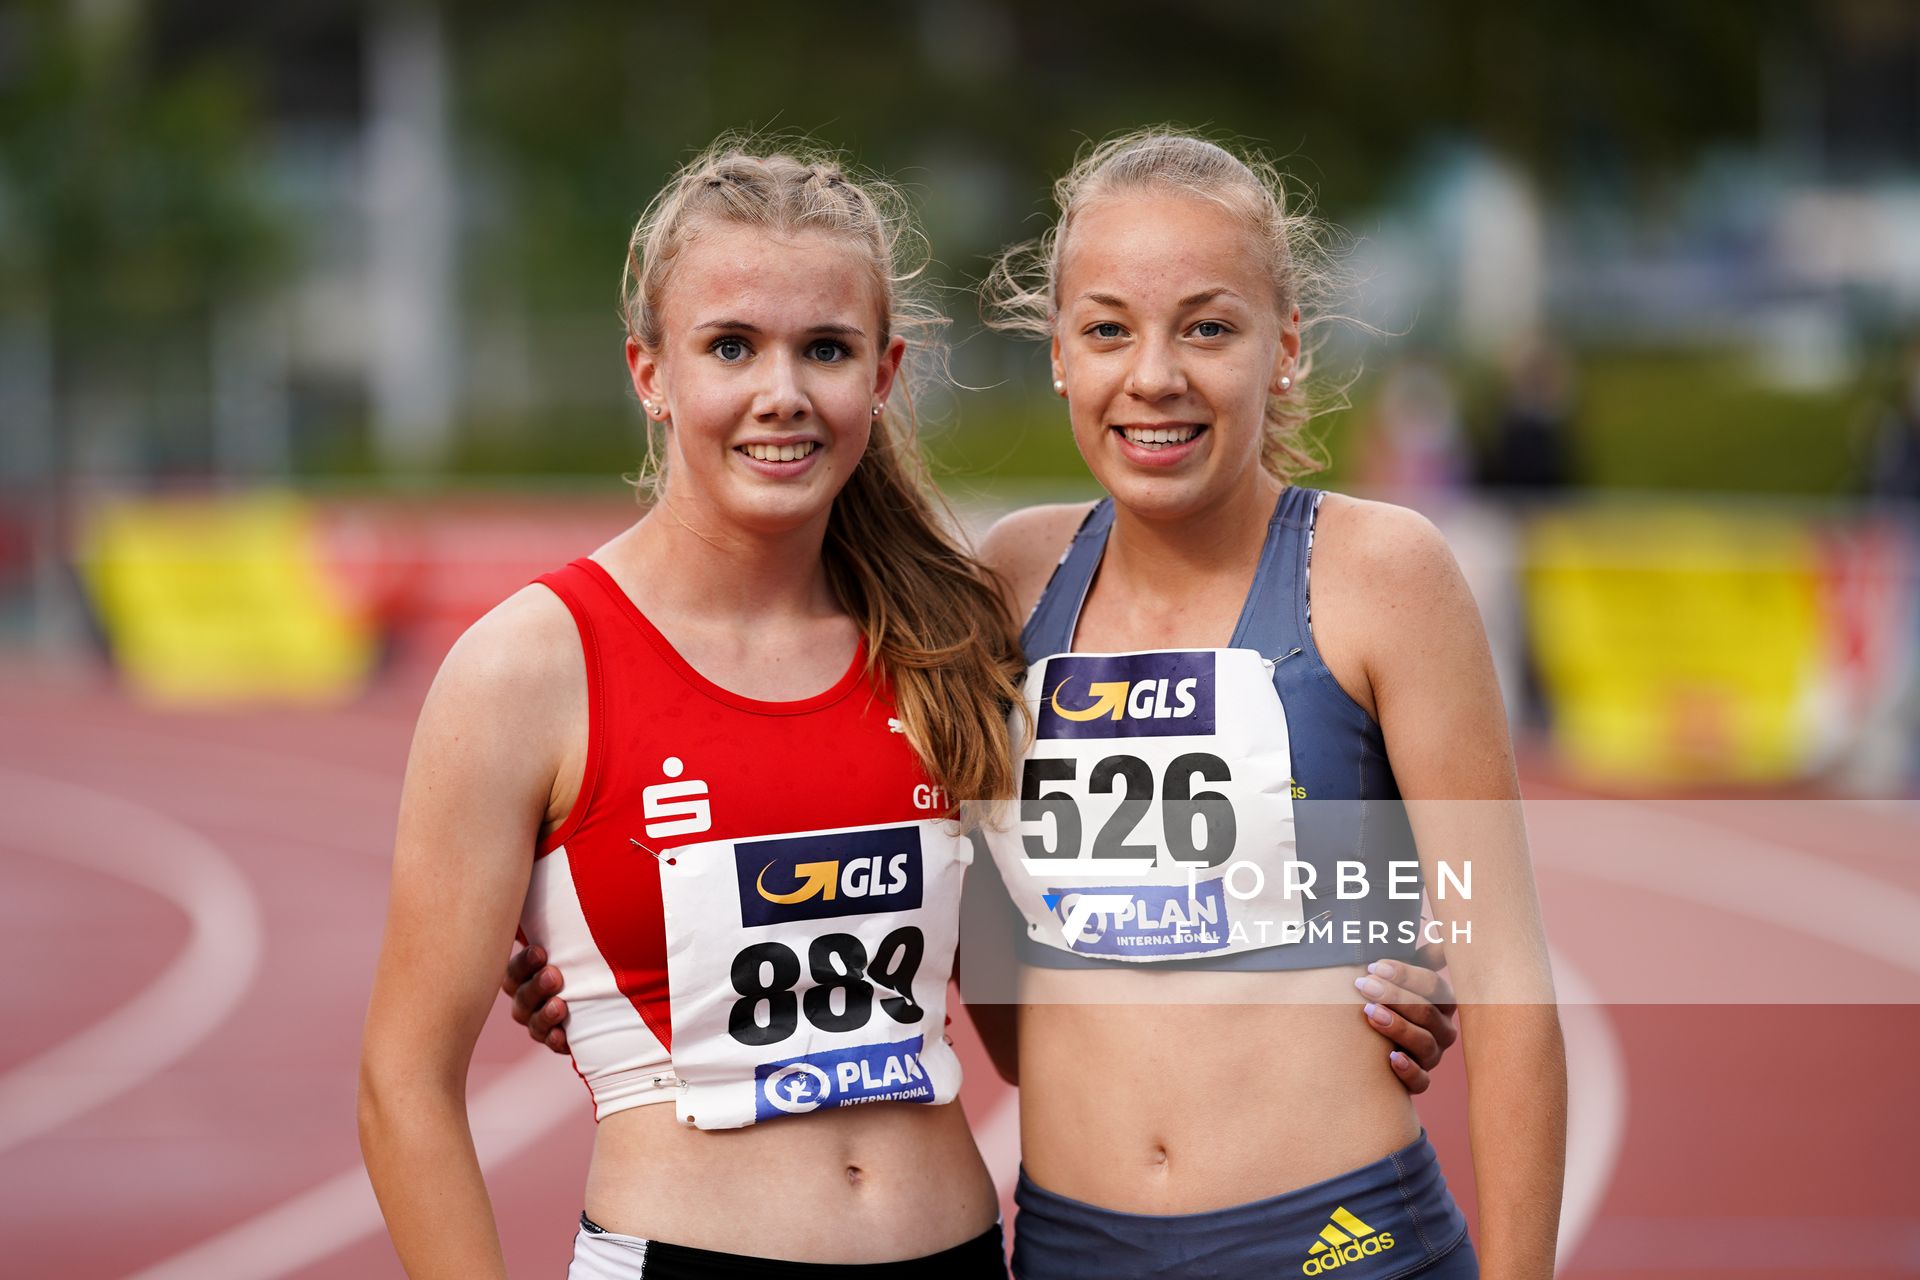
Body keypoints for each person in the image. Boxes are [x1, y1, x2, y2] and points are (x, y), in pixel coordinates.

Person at [508, 133, 1520, 1278]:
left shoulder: (1385, 571)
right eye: (1106, 329)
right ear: (1057, 356)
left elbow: (1508, 984)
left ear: (1283, 348)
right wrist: (596, 953)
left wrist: (1393, 936)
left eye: (1208, 325)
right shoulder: (1005, 584)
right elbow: (966, 926)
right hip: (1071, 1245)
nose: (1154, 374)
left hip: (1339, 1237)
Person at [358, 141, 1026, 1279]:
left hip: (952, 1248)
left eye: (826, 348)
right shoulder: (529, 666)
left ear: (883, 372)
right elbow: (402, 1082)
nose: (783, 393)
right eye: (732, 346)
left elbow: (1034, 1027)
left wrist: (1358, 974)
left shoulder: (947, 638)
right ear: (651, 373)